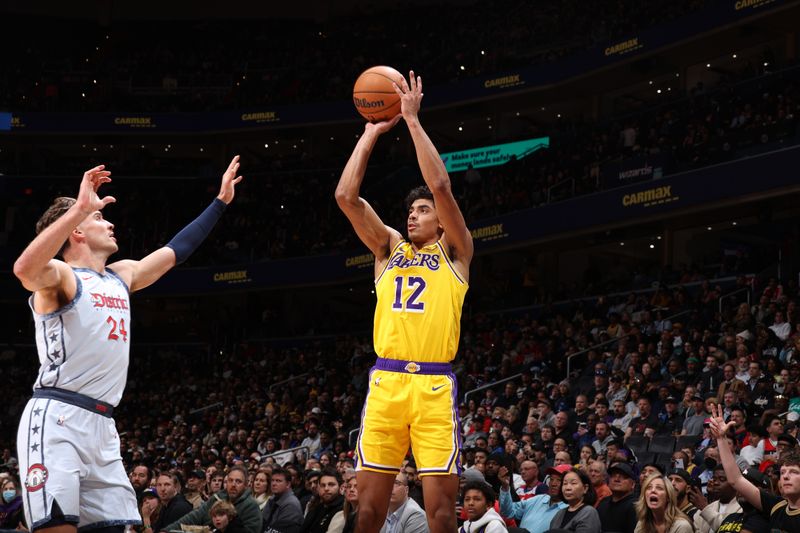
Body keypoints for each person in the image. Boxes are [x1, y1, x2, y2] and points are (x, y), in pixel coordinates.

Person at [13, 157, 243, 532]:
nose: (110, 222)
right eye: (99, 219)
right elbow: (24, 270)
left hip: (103, 426)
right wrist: (80, 209)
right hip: (57, 418)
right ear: (76, 233)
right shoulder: (62, 277)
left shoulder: (122, 275)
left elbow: (176, 251)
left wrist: (220, 202)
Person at [335, 70, 473, 533]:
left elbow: (440, 187)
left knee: (439, 513)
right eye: (409, 211)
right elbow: (346, 196)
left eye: (421, 211)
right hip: (387, 384)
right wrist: (370, 133)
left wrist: (412, 120)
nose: (412, 216)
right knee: (369, 512)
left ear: (439, 221)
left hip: (434, 387)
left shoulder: (455, 252)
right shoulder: (387, 249)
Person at [708, 403, 800, 532]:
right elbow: (736, 480)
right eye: (783, 472)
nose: (785, 476)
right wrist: (721, 438)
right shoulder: (776, 506)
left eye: (794, 472)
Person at [164, 466, 261, 533]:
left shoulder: (251, 506)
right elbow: (195, 516)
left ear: (245, 485)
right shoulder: (217, 497)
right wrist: (167, 530)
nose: (233, 485)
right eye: (230, 481)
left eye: (238, 481)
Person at [498, 464, 568, 533]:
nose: (553, 484)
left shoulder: (568, 510)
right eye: (551, 479)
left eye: (559, 480)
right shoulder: (538, 499)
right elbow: (507, 512)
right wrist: (505, 487)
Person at [548, 468, 601, 532]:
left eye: (573, 483)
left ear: (585, 488)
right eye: (565, 484)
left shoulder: (589, 512)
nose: (567, 488)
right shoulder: (560, 513)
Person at [595, 462, 637, 533]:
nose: (617, 478)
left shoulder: (636, 506)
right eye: (613, 475)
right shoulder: (603, 502)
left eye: (624, 476)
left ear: (632, 484)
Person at [262, 466, 303, 533]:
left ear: (288, 484)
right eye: (272, 480)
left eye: (278, 481)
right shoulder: (272, 499)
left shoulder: (291, 505)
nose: (274, 484)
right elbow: (262, 523)